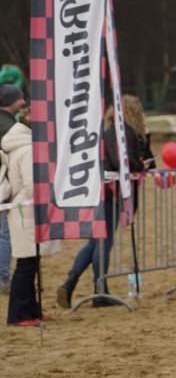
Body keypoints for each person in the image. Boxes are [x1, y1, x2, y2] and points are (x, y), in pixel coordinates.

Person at [57, 95, 148, 307]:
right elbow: (123, 163)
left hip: (103, 191)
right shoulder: (120, 131)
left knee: (95, 241)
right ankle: (98, 292)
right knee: (103, 243)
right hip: (111, 193)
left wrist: (146, 136)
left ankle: (72, 283)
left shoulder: (116, 131)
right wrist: (139, 166)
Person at [4, 108, 60, 326]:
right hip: (25, 212)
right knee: (26, 264)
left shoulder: (22, 146)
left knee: (31, 262)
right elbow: (32, 185)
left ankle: (30, 309)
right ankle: (19, 314)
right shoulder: (27, 149)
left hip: (24, 211)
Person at [0, 83, 25, 291]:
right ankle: (2, 278)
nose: (23, 102)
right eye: (20, 99)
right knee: (4, 234)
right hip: (2, 188)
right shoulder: (7, 126)